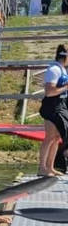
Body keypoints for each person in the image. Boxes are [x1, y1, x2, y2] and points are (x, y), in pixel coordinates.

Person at [38, 44, 68, 175]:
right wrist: (66, 87)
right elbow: (49, 91)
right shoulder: (54, 70)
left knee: (56, 137)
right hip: (51, 106)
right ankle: (42, 168)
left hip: (59, 105)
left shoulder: (62, 69)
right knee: (50, 137)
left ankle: (50, 167)